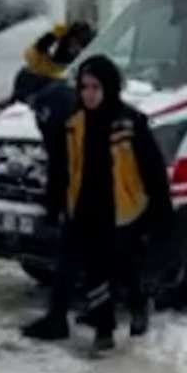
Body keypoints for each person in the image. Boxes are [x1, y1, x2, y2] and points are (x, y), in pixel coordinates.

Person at [21, 55, 172, 355]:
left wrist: (160, 208)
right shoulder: (74, 123)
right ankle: (104, 330)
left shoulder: (129, 121)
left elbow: (152, 167)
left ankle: (137, 304)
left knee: (122, 265)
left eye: (95, 87)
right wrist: (54, 204)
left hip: (122, 207)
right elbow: (61, 167)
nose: (89, 93)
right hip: (84, 205)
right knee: (91, 268)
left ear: (109, 87)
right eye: (84, 87)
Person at [11, 22, 95, 103]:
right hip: (37, 82)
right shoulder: (41, 64)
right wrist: (51, 36)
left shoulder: (81, 68)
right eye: (73, 42)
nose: (75, 48)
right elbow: (31, 55)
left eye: (80, 44)